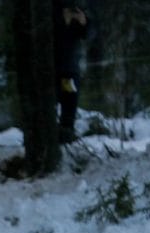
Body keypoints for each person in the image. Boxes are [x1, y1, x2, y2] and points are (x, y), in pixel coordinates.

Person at [54, 1, 90, 144]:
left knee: (69, 102)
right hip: (52, 69)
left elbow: (86, 34)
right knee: (51, 104)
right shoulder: (50, 11)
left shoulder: (78, 7)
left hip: (69, 70)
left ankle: (67, 135)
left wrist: (83, 22)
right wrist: (64, 21)